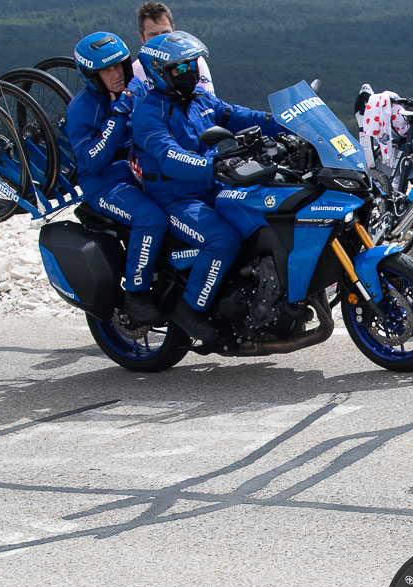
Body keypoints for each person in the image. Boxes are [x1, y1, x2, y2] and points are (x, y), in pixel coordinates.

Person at [131, 30, 281, 341]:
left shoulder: (199, 99)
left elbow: (240, 115)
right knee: (222, 238)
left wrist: (285, 120)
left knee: (266, 213)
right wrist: (213, 166)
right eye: (181, 69)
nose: (190, 73)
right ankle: (191, 308)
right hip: (174, 199)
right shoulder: (148, 113)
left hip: (211, 188)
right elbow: (170, 157)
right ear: (160, 74)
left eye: (192, 65)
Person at [65, 31, 167, 324]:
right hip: (105, 185)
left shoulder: (136, 88)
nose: (117, 74)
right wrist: (117, 116)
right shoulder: (81, 109)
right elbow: (91, 159)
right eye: (107, 70)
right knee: (150, 218)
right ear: (92, 75)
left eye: (120, 65)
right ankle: (136, 293)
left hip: (140, 172)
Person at [131, 2, 213, 95]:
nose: (161, 39)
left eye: (165, 33)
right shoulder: (136, 69)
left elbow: (208, 101)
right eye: (153, 35)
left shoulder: (194, 62)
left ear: (173, 30)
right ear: (141, 37)